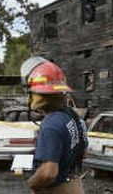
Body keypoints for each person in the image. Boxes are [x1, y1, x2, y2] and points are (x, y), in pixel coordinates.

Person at [21, 57, 87, 194]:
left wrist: (32, 183)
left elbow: (48, 173)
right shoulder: (73, 116)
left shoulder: (50, 125)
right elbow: (84, 154)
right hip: (75, 185)